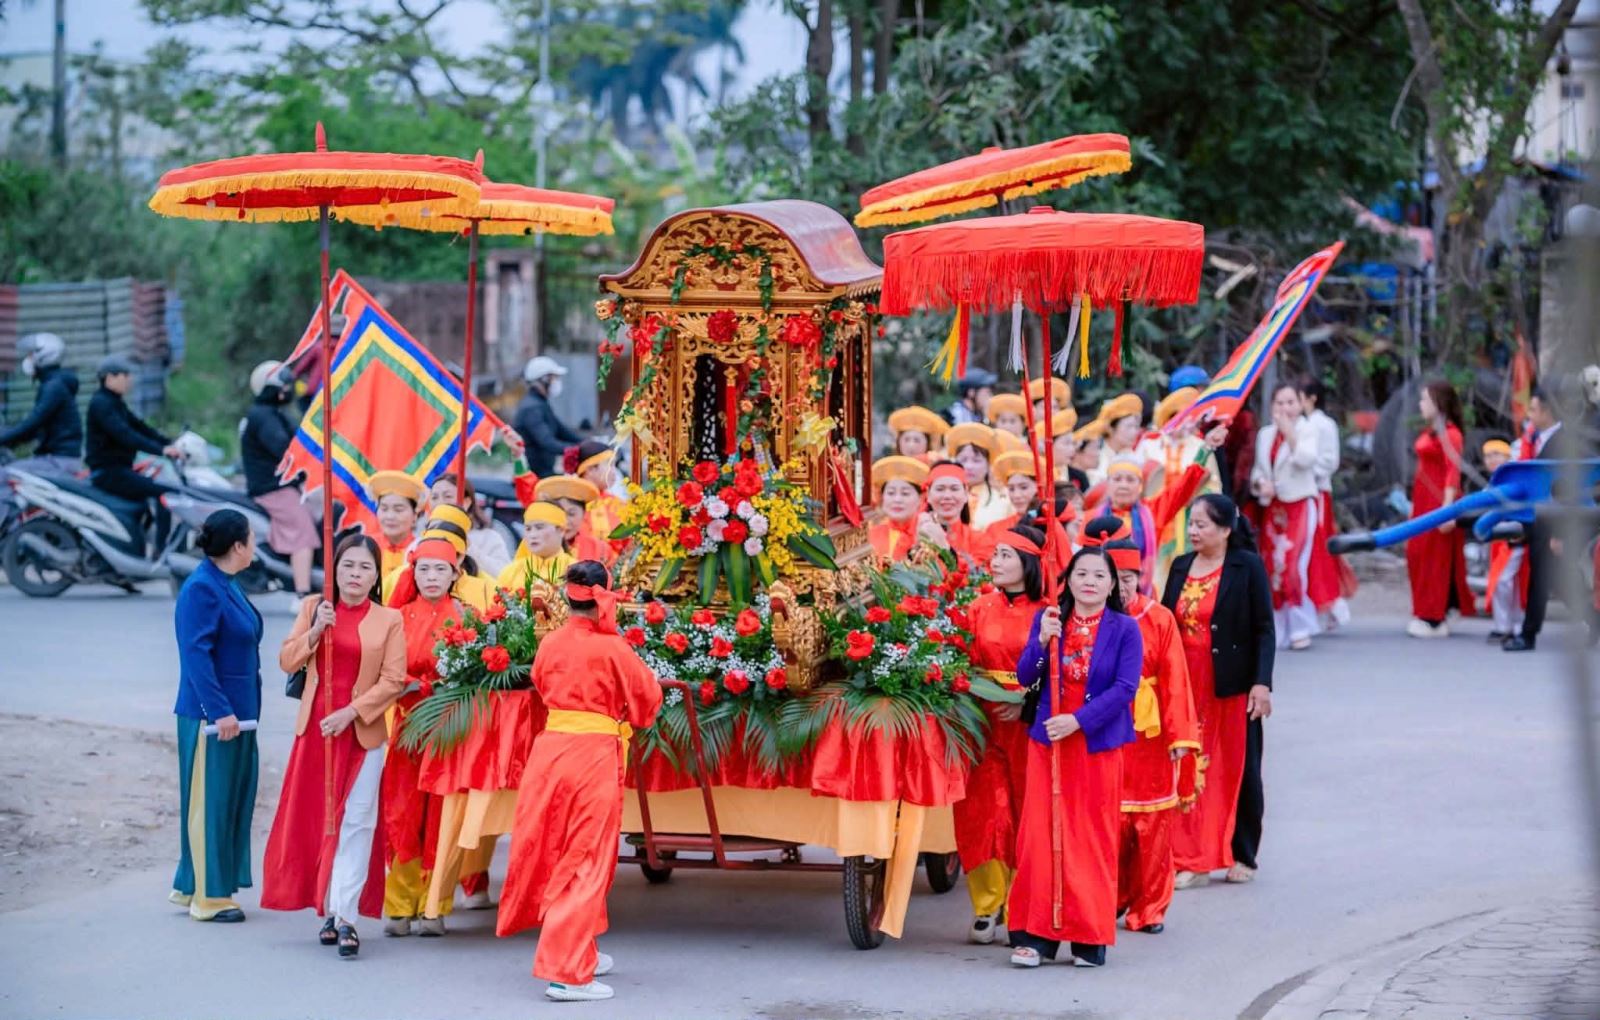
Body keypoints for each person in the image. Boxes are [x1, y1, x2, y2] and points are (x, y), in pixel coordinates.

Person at [497, 561, 664, 1002]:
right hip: (591, 756)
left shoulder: (550, 641)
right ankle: (567, 973)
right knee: (586, 856)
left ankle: (579, 947)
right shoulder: (613, 648)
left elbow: (539, 683)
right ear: (604, 596)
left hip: (551, 753)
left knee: (560, 850)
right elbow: (648, 700)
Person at [261, 534, 407, 958]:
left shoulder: (389, 619)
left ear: (377, 576)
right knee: (319, 821)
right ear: (334, 569)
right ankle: (327, 905)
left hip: (362, 734)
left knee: (357, 822)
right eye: (347, 565)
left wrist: (352, 712)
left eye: (365, 567)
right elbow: (287, 661)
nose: (355, 574)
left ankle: (346, 918)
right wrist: (315, 632)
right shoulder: (314, 608)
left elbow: (393, 680)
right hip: (316, 734)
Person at [1006, 545, 1142, 969]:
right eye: (1081, 573)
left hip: (1094, 745)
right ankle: (1036, 935)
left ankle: (1088, 937)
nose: (1090, 582)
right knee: (1041, 835)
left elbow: (1125, 688)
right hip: (1047, 741)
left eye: (1099, 575)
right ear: (1068, 579)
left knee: (1089, 837)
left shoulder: (1125, 628)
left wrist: (1078, 721)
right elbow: (1025, 675)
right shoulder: (1049, 619)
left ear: (1112, 584)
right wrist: (1041, 641)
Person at [1164, 494, 1275, 889]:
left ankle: (1242, 853)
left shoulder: (1247, 566)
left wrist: (1262, 683)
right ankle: (1190, 856)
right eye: (1191, 524)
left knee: (1237, 767)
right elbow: (1165, 624)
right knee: (1188, 766)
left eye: (1202, 524)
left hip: (1231, 684)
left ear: (1226, 529)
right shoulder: (1180, 566)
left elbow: (1264, 628)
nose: (1193, 531)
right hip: (1186, 683)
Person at [956, 524, 1047, 944]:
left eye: (1006, 555)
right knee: (983, 811)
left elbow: (1057, 668)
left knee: (1026, 809)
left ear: (1028, 563)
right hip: (983, 721)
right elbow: (964, 660)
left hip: (1029, 725)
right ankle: (986, 904)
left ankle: (1019, 904)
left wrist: (1025, 702)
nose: (995, 562)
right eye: (995, 554)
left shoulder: (1048, 613)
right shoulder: (978, 608)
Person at [170, 509, 262, 923]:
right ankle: (208, 898)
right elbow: (196, 656)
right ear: (238, 546)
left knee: (224, 800)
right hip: (214, 718)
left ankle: (192, 885)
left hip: (237, 715)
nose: (255, 544)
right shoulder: (202, 589)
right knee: (210, 803)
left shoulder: (226, 582)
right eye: (252, 538)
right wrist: (219, 711)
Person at [1105, 534, 1198, 935]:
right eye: (1114, 578)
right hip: (1106, 728)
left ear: (1138, 578)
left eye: (1128, 578)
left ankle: (1150, 907)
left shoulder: (1159, 618)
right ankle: (1111, 897)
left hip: (1150, 731)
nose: (1121, 587)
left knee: (1152, 823)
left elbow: (1176, 679)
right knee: (1110, 823)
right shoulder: (1090, 619)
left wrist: (1180, 737)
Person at [381, 536, 466, 937]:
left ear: (454, 574)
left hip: (450, 730)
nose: (432, 577)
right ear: (412, 574)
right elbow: (386, 672)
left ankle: (435, 907)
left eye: (440, 569)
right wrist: (411, 685)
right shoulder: (397, 618)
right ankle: (399, 907)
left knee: (441, 816)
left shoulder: (467, 616)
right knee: (403, 813)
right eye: (424, 569)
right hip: (408, 729)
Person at [1085, 426, 1225, 597]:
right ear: (1108, 484)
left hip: (1143, 594)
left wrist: (1206, 449)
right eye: (1117, 479)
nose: (1123, 485)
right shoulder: (1092, 518)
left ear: (1140, 486)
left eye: (1130, 480)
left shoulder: (1151, 512)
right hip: (1098, 597)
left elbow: (1182, 488)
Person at [1505, 385, 1594, 651]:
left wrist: (1561, 534)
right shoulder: (1536, 440)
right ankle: (1594, 620)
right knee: (1560, 580)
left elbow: (1572, 490)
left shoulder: (1567, 443)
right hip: (1539, 521)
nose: (1529, 415)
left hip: (1556, 524)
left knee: (1544, 579)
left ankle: (1528, 634)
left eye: (1533, 409)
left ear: (1547, 412)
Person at [1250, 384, 1321, 650]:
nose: (1285, 408)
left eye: (1291, 402)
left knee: (1291, 565)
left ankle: (1300, 624)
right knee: (1271, 567)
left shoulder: (1308, 430)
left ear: (1300, 404)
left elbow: (1306, 460)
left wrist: (1290, 433)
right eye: (1279, 403)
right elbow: (1258, 470)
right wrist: (1261, 484)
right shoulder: (1265, 434)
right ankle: (1278, 626)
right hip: (1274, 508)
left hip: (1299, 504)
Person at [86, 355, 183, 548]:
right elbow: (126, 435)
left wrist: (169, 442)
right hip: (109, 472)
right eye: (125, 375)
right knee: (165, 493)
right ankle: (162, 549)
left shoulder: (114, 402)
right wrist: (162, 450)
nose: (129, 380)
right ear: (110, 378)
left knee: (145, 503)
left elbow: (139, 427)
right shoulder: (101, 404)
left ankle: (139, 546)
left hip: (120, 470)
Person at [1404, 381, 1474, 640]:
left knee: (1435, 559)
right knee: (1417, 554)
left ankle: (1434, 617)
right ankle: (1427, 610)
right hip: (1423, 501)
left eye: (1425, 400)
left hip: (1440, 501)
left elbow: (1452, 473)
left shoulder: (1452, 434)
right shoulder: (1431, 431)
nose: (1421, 404)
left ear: (1438, 403)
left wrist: (1446, 510)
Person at [241, 361, 316, 597]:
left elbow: (303, 438)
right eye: (284, 384)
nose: (289, 388)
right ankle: (303, 593)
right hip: (272, 489)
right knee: (303, 532)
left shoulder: (276, 414)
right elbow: (285, 449)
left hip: (286, 485)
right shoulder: (263, 416)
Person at [1299, 379, 1355, 628]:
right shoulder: (1302, 424)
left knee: (1320, 544)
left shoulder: (1325, 425)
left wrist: (1308, 474)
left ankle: (1332, 601)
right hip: (1302, 492)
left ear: (1311, 398)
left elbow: (1330, 460)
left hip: (1318, 491)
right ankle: (1320, 601)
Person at [0, 332, 83, 474]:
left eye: (31, 355)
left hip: (58, 460)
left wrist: (3, 438)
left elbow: (32, 423)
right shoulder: (54, 383)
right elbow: (34, 429)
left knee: (5, 474)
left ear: (44, 356)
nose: (28, 359)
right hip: (57, 458)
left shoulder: (53, 387)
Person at [1479, 439, 1527, 642]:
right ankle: (1511, 625)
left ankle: (1507, 625)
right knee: (1507, 582)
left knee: (1504, 581)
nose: (1491, 459)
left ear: (1508, 457)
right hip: (1498, 540)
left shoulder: (1514, 481)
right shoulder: (1491, 483)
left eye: (1496, 454)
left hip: (1513, 538)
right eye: (1488, 456)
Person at [426, 473, 513, 579]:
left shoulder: (489, 538)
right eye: (434, 497)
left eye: (448, 496)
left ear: (466, 502)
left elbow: (504, 576)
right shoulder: (422, 540)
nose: (440, 503)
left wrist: (468, 546)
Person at [513, 355, 581, 477]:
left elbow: (563, 432)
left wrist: (589, 444)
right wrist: (579, 450)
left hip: (544, 473)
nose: (557, 382)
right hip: (534, 477)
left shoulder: (541, 404)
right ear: (544, 379)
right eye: (555, 378)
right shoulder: (532, 408)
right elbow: (548, 442)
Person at [920, 460, 991, 570]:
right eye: (940, 489)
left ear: (966, 494)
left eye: (954, 489)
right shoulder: (913, 536)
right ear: (928, 494)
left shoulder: (980, 539)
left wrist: (944, 548)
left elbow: (981, 575)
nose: (947, 496)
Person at [566, 440, 629, 557]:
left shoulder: (617, 503)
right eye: (610, 465)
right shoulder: (569, 504)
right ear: (591, 470)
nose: (614, 472)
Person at [536, 474, 614, 566]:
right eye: (559, 513)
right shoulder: (536, 548)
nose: (565, 521)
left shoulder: (600, 550)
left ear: (583, 514)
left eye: (571, 514)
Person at [946, 422, 1010, 530]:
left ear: (988, 464)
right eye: (963, 460)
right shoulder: (945, 496)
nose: (969, 466)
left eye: (976, 460)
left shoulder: (1002, 498)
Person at [498, 501, 575, 590]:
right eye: (528, 529)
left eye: (539, 528)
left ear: (561, 530)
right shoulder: (511, 572)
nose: (532, 535)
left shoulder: (575, 572)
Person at [868, 455, 929, 561]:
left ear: (921, 498)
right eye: (891, 493)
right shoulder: (871, 535)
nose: (897, 499)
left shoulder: (928, 536)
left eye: (905, 493)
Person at [368, 471, 427, 577]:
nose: (390, 516)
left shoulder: (422, 550)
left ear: (415, 515)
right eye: (384, 509)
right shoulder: (366, 547)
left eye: (398, 510)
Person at [1090, 393, 1146, 486]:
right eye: (1129, 427)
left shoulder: (1136, 458)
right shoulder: (1096, 457)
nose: (1134, 432)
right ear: (1110, 428)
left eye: (1136, 427)